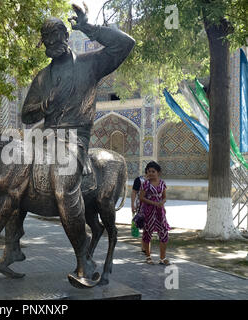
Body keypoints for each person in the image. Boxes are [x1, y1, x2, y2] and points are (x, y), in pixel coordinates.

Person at [21, 4, 135, 281]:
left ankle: (84, 259)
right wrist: (42, 106)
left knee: (63, 188)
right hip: (45, 137)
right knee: (10, 175)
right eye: (47, 40)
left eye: (57, 37)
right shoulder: (42, 77)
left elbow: (125, 44)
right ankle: (11, 246)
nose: (52, 44)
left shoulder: (89, 64)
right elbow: (26, 115)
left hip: (74, 138)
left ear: (66, 36)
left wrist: (88, 27)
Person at [139, 161, 171, 265]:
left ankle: (162, 258)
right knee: (148, 232)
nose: (151, 173)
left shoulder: (162, 183)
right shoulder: (146, 184)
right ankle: (148, 257)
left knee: (164, 232)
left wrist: (162, 202)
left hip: (160, 211)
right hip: (149, 211)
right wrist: (153, 202)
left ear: (158, 172)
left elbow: (164, 196)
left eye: (153, 171)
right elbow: (141, 197)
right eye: (149, 171)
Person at [131, 171, 147, 251]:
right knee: (145, 226)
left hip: (153, 206)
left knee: (148, 226)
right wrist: (132, 205)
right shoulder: (139, 180)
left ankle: (145, 246)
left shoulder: (156, 180)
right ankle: (144, 247)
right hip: (140, 206)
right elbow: (134, 192)